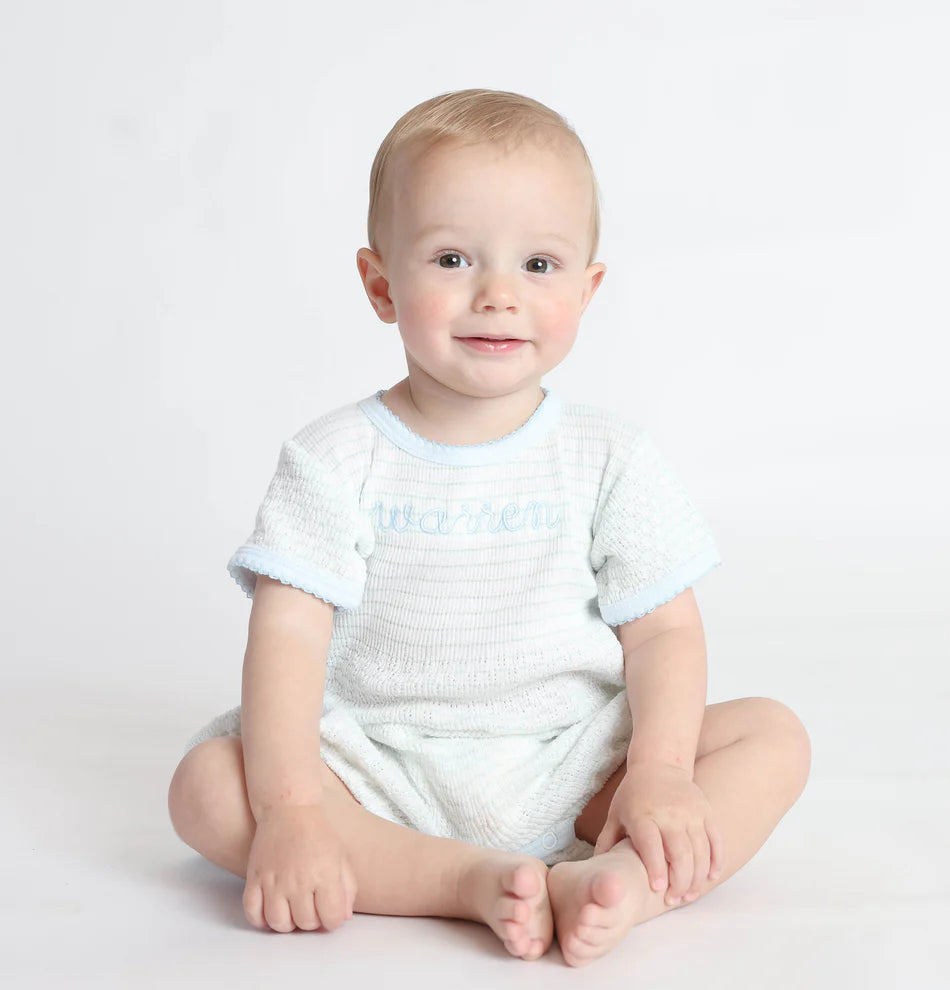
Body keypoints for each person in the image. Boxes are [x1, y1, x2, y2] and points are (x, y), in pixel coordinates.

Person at [167, 88, 811, 967]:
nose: (498, 295)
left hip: (577, 762)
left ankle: (617, 885)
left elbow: (662, 632)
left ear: (587, 290)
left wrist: (657, 772)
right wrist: (291, 812)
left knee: (770, 736)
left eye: (539, 267)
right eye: (453, 258)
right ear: (381, 284)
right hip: (376, 766)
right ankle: (461, 880)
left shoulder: (608, 454)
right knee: (206, 788)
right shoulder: (334, 458)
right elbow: (286, 639)